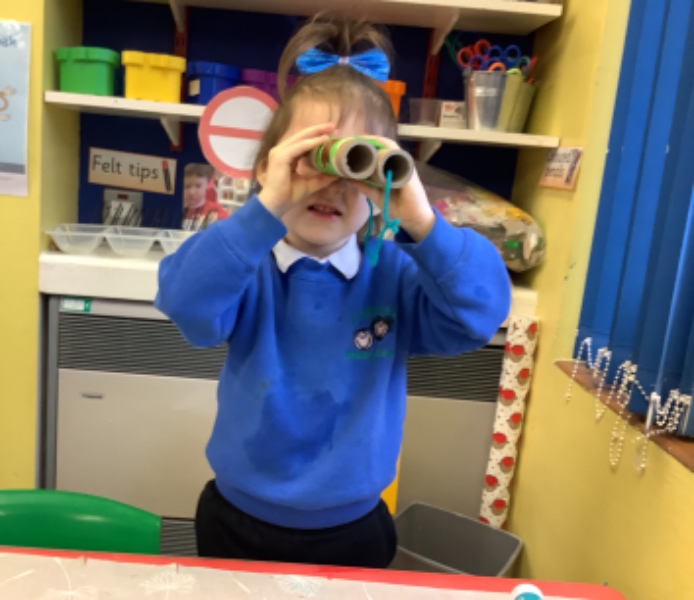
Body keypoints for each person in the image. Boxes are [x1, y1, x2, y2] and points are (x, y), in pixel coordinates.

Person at [156, 16, 511, 569]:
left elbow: (479, 315)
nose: (333, 184)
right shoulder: (246, 268)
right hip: (238, 517)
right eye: (312, 159)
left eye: (361, 165)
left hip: (354, 526)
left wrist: (421, 219)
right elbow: (184, 301)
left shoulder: (396, 276)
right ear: (268, 170)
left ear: (386, 181)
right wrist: (263, 210)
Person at [182, 162, 229, 230]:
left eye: (198, 186)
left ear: (208, 184)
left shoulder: (217, 212)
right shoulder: (175, 210)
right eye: (187, 186)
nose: (192, 192)